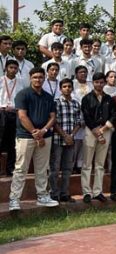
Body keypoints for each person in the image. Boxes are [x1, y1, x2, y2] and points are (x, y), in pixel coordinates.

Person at [8, 67, 58, 211]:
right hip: (25, 137)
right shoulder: (23, 94)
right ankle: (14, 199)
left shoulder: (48, 96)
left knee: (42, 169)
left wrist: (43, 131)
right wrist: (35, 133)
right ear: (30, 78)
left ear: (44, 78)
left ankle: (42, 196)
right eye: (35, 77)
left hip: (45, 136)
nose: (38, 80)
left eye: (41, 77)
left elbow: (53, 117)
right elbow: (22, 116)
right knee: (21, 168)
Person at [80, 72, 113, 203]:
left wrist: (103, 130)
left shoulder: (109, 99)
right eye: (96, 82)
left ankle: (97, 191)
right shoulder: (87, 98)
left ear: (104, 83)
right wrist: (96, 131)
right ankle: (86, 192)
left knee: (100, 163)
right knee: (87, 163)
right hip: (90, 131)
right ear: (93, 83)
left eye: (101, 82)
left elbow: (113, 115)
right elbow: (86, 116)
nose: (99, 84)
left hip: (105, 130)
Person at [49, 79, 82, 203]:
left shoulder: (76, 103)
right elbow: (54, 122)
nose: (67, 88)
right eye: (64, 86)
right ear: (60, 89)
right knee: (55, 168)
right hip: (58, 140)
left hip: (70, 140)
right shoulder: (56, 103)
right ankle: (54, 193)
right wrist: (64, 135)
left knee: (68, 168)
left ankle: (65, 193)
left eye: (69, 86)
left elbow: (79, 121)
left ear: (72, 88)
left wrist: (71, 135)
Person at [0, 60, 26, 177]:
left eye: (15, 68)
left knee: (12, 142)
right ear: (6, 68)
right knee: (0, 140)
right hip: (1, 112)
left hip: (15, 113)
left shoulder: (21, 82)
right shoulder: (0, 80)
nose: (13, 70)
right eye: (11, 67)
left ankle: (10, 168)